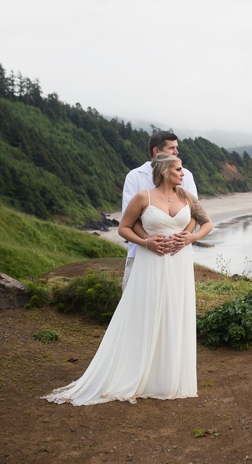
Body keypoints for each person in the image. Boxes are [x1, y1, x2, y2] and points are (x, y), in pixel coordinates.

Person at [44, 153, 212, 406]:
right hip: (151, 261)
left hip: (179, 263)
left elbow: (207, 223)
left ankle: (168, 378)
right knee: (146, 313)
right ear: (166, 171)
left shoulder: (188, 197)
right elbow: (123, 227)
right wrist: (146, 242)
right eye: (178, 169)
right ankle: (137, 372)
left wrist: (190, 238)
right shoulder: (143, 197)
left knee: (175, 313)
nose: (183, 173)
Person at [121, 131, 200, 290]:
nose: (176, 152)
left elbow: (194, 214)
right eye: (172, 148)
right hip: (140, 253)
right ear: (156, 151)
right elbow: (129, 219)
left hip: (178, 254)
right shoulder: (135, 176)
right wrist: (148, 240)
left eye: (177, 147)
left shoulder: (185, 176)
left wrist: (182, 239)